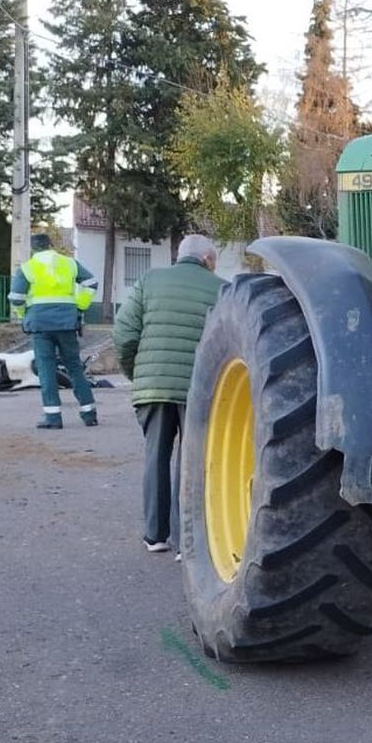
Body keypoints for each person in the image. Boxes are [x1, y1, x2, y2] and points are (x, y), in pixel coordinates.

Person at [113, 234, 225, 555]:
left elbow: (123, 334)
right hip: (198, 389)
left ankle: (155, 535)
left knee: (155, 456)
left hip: (152, 385)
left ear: (180, 255)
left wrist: (137, 372)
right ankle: (184, 542)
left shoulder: (150, 279)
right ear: (207, 260)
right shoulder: (221, 288)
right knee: (192, 462)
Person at [8, 232, 99, 430]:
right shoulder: (69, 263)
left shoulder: (27, 268)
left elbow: (16, 297)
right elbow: (91, 283)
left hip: (40, 326)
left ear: (33, 248)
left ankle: (53, 417)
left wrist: (24, 315)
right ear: (50, 245)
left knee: (46, 368)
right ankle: (89, 413)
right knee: (74, 366)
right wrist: (80, 307)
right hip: (67, 323)